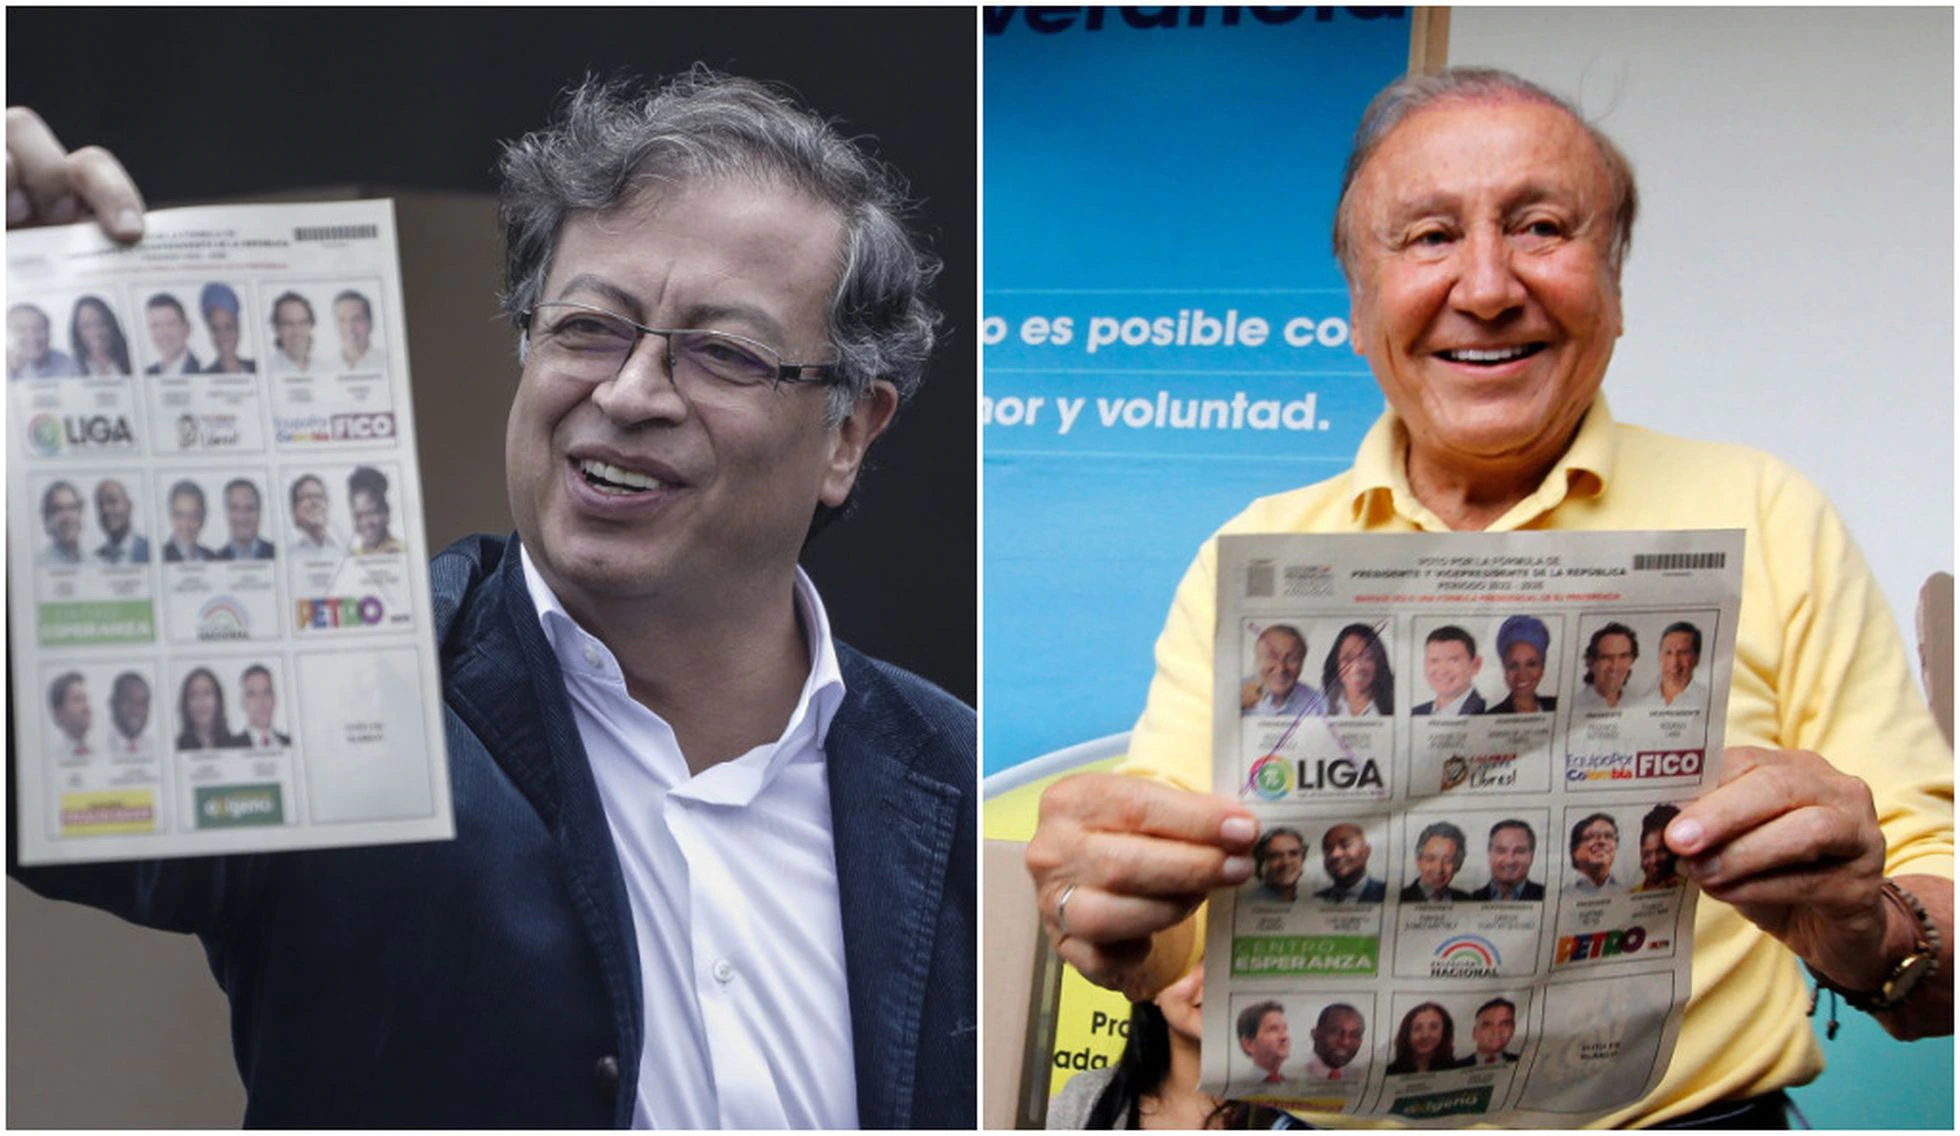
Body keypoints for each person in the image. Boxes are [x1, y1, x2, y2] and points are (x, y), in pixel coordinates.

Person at [10, 68, 972, 1128]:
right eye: (587, 327)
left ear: (848, 433)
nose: (629, 391)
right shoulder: (339, 690)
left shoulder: (964, 779)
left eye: (723, 353)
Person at [1027, 70, 1949, 1129]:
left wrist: (1872, 929)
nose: (1485, 285)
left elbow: (1942, 941)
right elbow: (1174, 950)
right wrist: (1103, 902)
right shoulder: (1255, 550)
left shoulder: (1765, 510)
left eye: (1541, 226)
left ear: (1612, 284)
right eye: (1426, 237)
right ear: (1357, 307)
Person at [1045, 960, 1300, 1129]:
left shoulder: (1308, 1113)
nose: (1215, 980)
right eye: (1194, 960)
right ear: (1152, 986)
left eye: (1236, 956)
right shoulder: (1083, 1103)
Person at [1240, 624, 1323, 717]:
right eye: (1272, 657)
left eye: (1292, 659)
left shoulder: (1319, 704)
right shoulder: (1232, 693)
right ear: (1257, 659)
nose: (1281, 668)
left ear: (1302, 662)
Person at [1484, 614, 1555, 713]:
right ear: (1504, 669)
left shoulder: (1557, 706)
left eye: (1531, 664)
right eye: (1513, 666)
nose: (1522, 675)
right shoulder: (1490, 717)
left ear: (1542, 667)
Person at [1319, 622, 1393, 716]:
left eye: (1367, 657)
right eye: (1348, 658)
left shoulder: (1396, 704)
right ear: (1336, 663)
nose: (1357, 667)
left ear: (1378, 662)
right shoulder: (1320, 706)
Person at [1412, 625, 1484, 715]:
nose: (1443, 670)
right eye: (1434, 661)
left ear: (1476, 665)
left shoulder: (1489, 711)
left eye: (1453, 660)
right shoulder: (1415, 713)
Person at [1641, 621, 1708, 710]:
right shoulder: (1641, 699)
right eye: (1668, 653)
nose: (1674, 662)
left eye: (1683, 653)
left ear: (1697, 658)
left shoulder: (1708, 700)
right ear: (1659, 657)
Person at [175, 667, 246, 750]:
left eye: (207, 693)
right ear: (186, 704)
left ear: (218, 700)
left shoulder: (235, 745)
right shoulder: (177, 746)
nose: (201, 702)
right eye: (194, 695)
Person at [1400, 821, 1472, 903]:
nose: (1438, 869)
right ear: (1418, 861)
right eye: (1431, 859)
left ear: (1458, 864)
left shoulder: (1467, 900)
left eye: (1448, 861)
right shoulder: (1400, 898)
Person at [1474, 819, 1544, 902]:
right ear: (1489, 854)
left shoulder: (1548, 896)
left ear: (1531, 857)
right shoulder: (1470, 899)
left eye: (1519, 851)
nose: (1509, 861)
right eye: (1501, 851)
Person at [1313, 822, 1385, 903]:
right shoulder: (1316, 899)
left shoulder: (1389, 894)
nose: (1334, 854)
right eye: (1327, 848)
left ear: (1366, 851)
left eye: (1345, 845)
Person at [1574, 622, 1638, 711]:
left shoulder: (1638, 703)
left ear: (1632, 660)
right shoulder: (1576, 705)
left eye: (1623, 657)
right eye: (1606, 658)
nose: (1615, 667)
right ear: (1591, 662)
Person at [8, 301, 81, 378]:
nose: (32, 336)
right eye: (21, 330)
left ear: (49, 332)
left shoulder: (69, 365)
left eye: (38, 328)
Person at [1384, 1003, 1457, 1075]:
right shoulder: (1388, 1072)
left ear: (1445, 1031)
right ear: (1406, 1034)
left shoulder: (1456, 1070)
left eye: (1434, 1027)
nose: (1425, 1035)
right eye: (1417, 1028)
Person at [200, 282, 257, 373]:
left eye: (228, 327)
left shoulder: (257, 368)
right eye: (216, 329)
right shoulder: (204, 377)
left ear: (238, 329)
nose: (223, 336)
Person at [346, 465, 404, 554]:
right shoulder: (353, 556)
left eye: (371, 512)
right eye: (359, 515)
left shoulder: (403, 552)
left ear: (386, 512)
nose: (365, 523)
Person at [69, 294, 131, 376]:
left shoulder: (133, 360)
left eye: (101, 323)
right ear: (77, 331)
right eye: (86, 326)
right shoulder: (71, 369)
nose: (96, 332)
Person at [1302, 1003, 1365, 1081]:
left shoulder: (1361, 1076)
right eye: (1336, 1032)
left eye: (1354, 1035)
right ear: (1315, 1034)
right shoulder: (1294, 1075)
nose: (1345, 1042)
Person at [215, 478, 275, 560]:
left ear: (259, 512)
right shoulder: (217, 559)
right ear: (227, 513)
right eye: (235, 509)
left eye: (249, 508)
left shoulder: (277, 553)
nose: (242, 517)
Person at [93, 478, 150, 564]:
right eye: (100, 505)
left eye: (112, 501)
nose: (106, 510)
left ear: (129, 506)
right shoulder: (96, 557)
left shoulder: (150, 550)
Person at [141, 292, 200, 375]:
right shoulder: (147, 373)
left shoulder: (204, 371)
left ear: (187, 328)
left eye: (171, 324)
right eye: (156, 326)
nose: (163, 333)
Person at [1565, 812, 1623, 894]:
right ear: (1574, 850)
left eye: (1608, 836)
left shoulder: (1625, 891)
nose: (1602, 841)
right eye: (1591, 837)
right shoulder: (1561, 893)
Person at [1245, 826, 1305, 903]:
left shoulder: (1309, 901)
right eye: (1275, 856)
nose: (1286, 862)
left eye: (1293, 854)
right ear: (1261, 863)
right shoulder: (1252, 902)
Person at [1635, 803, 1685, 892]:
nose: (1654, 860)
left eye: (1661, 851)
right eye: (1647, 854)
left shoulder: (1687, 888)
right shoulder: (1631, 894)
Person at [161, 479, 215, 561]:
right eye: (180, 515)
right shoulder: (160, 556)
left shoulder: (213, 557)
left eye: (193, 516)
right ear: (171, 516)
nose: (186, 524)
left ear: (203, 517)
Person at [1236, 1001, 1289, 1084]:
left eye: (1285, 1029)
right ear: (1249, 1044)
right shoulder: (1239, 1089)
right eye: (1273, 1029)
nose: (1284, 1037)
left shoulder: (1291, 1085)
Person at [238, 665, 289, 749]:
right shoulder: (231, 745)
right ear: (243, 702)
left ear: (274, 699)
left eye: (267, 692)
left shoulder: (289, 742)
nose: (261, 701)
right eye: (252, 694)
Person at [287, 474, 339, 554]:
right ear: (295, 509)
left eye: (319, 497)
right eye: (307, 497)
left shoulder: (342, 546)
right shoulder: (287, 550)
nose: (315, 502)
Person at [267, 291, 314, 374]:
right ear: (276, 328)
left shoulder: (326, 367)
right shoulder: (268, 368)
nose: (297, 332)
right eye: (288, 324)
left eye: (302, 323)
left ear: (311, 325)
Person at [39, 480, 85, 565]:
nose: (67, 517)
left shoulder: (95, 563)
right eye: (59, 510)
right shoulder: (41, 563)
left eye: (72, 508)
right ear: (47, 518)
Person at [47, 672, 91, 758]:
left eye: (85, 699)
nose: (87, 707)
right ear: (59, 713)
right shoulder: (53, 757)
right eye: (77, 700)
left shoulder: (103, 752)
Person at [333, 289, 379, 370]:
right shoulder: (328, 366)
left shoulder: (386, 362)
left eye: (356, 319)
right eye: (342, 320)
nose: (349, 328)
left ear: (370, 324)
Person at [107, 672, 151, 756]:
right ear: (113, 704)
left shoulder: (154, 748)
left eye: (142, 703)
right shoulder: (99, 749)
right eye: (128, 702)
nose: (135, 711)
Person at [1467, 997, 1521, 1066]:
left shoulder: (1524, 1063)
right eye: (1487, 1025)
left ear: (1513, 1029)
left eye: (1505, 1024)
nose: (1496, 1031)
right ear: (1474, 1033)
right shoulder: (1455, 1067)